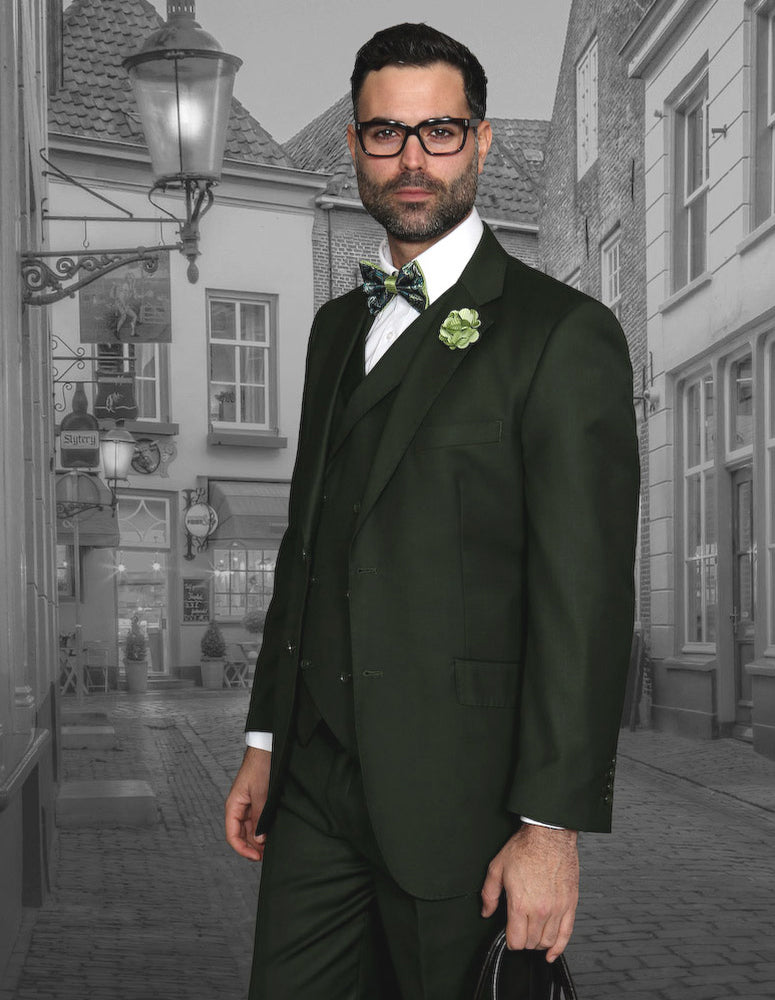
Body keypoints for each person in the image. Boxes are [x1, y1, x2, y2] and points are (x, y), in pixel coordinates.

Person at [225, 22, 640, 1000]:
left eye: (440, 132)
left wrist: (549, 826)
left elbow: (582, 597)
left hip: (464, 800)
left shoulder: (562, 336)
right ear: (356, 147)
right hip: (317, 791)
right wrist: (264, 740)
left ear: (483, 141)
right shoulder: (335, 329)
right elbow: (308, 548)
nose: (413, 161)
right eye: (386, 134)